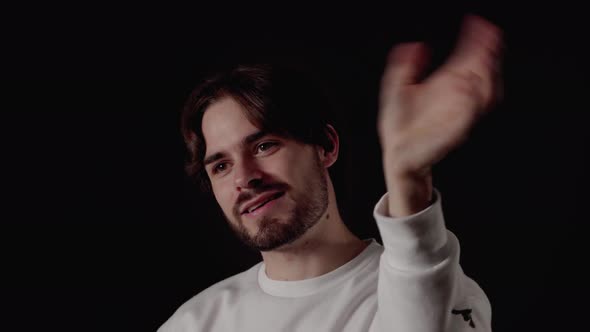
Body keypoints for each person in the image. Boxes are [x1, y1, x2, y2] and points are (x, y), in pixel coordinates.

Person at [159, 14, 502, 332]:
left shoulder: (442, 294)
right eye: (221, 166)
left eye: (264, 146)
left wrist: (407, 178)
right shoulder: (194, 323)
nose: (244, 177)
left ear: (325, 145)